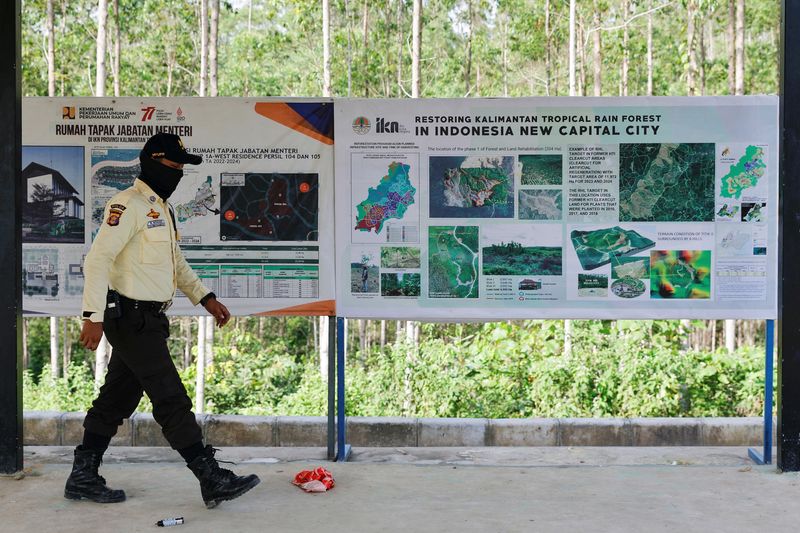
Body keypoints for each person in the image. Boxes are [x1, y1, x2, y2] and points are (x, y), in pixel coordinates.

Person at [66, 133, 260, 509]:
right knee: (170, 397)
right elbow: (98, 259)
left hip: (149, 320)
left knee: (116, 398)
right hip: (130, 319)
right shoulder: (127, 205)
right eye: (173, 167)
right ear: (153, 163)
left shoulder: (162, 210)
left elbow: (176, 264)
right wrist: (92, 317)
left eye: (182, 169)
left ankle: (82, 475)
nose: (178, 174)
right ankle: (209, 475)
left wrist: (205, 296)